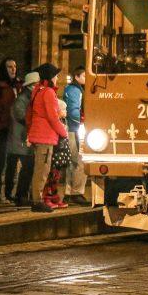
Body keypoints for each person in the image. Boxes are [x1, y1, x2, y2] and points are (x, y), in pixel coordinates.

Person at [26, 63, 67, 213]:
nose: (57, 78)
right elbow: (52, 117)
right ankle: (37, 201)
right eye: (56, 76)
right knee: (42, 170)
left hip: (40, 134)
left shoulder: (38, 90)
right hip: (45, 136)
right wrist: (64, 132)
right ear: (50, 77)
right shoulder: (48, 92)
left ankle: (36, 198)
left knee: (40, 169)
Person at [0, 57, 20, 203]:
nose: (13, 69)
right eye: (9, 67)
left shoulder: (18, 84)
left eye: (14, 66)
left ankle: (8, 192)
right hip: (4, 127)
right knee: (1, 161)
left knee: (13, 161)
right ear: (3, 68)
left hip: (16, 128)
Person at [8, 70, 39, 206]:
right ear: (32, 85)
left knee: (28, 168)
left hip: (22, 138)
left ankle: (22, 195)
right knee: (27, 167)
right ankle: (21, 196)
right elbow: (21, 116)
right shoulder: (23, 99)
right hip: (20, 139)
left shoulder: (27, 98)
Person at [62, 67, 90, 205]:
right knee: (80, 160)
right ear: (76, 77)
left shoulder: (71, 89)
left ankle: (68, 192)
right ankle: (77, 192)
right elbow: (73, 110)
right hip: (75, 129)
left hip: (72, 129)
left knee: (72, 162)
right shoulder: (76, 90)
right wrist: (82, 123)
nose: (87, 78)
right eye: (84, 75)